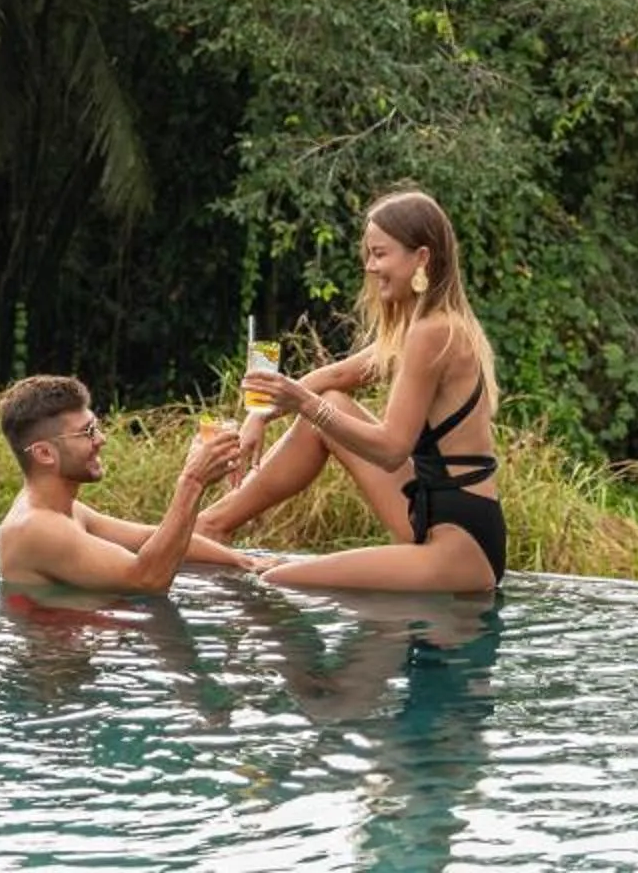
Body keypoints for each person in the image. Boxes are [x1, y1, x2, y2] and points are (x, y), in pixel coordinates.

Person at [202, 188, 507, 593]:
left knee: (277, 581)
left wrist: (304, 404)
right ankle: (213, 525)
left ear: (422, 258)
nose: (369, 266)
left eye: (380, 254)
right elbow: (330, 380)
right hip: (429, 511)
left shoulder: (433, 332)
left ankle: (212, 528)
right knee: (330, 405)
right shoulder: (420, 327)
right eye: (368, 254)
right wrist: (257, 416)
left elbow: (392, 448)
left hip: (461, 542)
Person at [0, 375, 261, 594]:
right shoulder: (36, 527)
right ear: (44, 454)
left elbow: (148, 538)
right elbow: (147, 580)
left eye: (95, 426)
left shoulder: (65, 510)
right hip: (61, 660)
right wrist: (192, 481)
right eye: (87, 432)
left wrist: (246, 563)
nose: (101, 439)